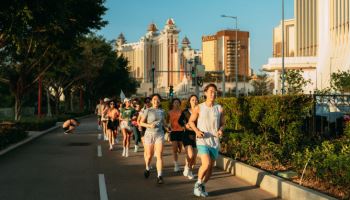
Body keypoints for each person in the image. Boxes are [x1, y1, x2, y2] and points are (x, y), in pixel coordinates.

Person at [188, 83, 225, 197]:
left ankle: (203, 184)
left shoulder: (219, 108)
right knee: (206, 163)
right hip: (202, 140)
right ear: (205, 93)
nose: (213, 94)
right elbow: (190, 122)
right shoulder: (199, 107)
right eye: (210, 91)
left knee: (210, 169)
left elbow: (223, 123)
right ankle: (198, 184)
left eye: (215, 92)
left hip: (214, 142)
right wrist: (197, 131)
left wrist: (221, 129)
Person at [139, 94, 168, 184]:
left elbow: (164, 123)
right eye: (154, 99)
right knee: (149, 156)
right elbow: (141, 123)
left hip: (159, 134)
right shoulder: (148, 110)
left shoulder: (162, 111)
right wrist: (149, 125)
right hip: (149, 134)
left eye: (158, 99)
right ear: (152, 101)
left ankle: (160, 176)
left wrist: (167, 128)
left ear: (160, 101)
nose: (156, 101)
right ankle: (147, 168)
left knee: (159, 155)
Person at [178, 94, 199, 180]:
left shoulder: (200, 111)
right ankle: (188, 169)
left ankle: (188, 168)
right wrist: (185, 125)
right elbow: (180, 121)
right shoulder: (185, 111)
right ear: (190, 101)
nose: (195, 101)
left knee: (193, 159)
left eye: (196, 100)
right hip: (187, 135)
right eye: (193, 100)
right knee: (190, 154)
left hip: (197, 136)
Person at [167, 98, 184, 172]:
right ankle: (176, 165)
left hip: (181, 131)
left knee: (180, 148)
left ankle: (179, 149)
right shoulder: (169, 112)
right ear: (172, 104)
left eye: (178, 102)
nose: (176, 104)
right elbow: (167, 121)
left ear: (179, 104)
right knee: (174, 149)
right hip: (173, 131)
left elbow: (185, 120)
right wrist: (168, 126)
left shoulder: (181, 111)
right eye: (175, 102)